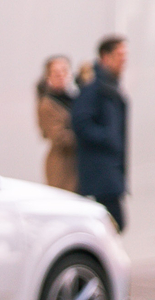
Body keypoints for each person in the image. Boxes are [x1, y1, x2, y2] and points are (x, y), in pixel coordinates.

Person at [75, 35, 128, 231]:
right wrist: (107, 137)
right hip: (101, 174)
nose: (124, 60)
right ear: (105, 57)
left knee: (113, 226)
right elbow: (81, 124)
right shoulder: (94, 89)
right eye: (120, 55)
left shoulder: (110, 86)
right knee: (114, 224)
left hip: (111, 171)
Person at [35, 56, 76, 192]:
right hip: (63, 167)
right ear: (48, 77)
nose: (60, 76)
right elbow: (59, 137)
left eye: (64, 71)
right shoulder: (47, 104)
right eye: (56, 73)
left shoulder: (73, 99)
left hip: (75, 164)